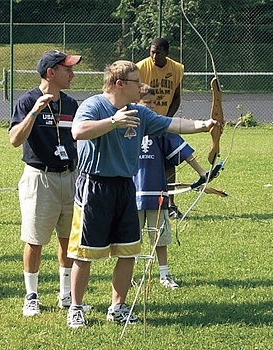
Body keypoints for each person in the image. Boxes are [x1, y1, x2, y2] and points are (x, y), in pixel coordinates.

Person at [66, 60, 218, 328]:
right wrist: (113, 122)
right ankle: (76, 308)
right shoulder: (93, 105)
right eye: (137, 81)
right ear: (120, 84)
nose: (143, 85)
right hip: (94, 187)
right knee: (84, 253)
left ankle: (118, 307)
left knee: (128, 252)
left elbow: (171, 124)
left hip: (125, 186)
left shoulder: (139, 112)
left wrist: (204, 124)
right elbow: (78, 132)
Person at [8, 50, 87, 317]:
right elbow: (14, 140)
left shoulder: (72, 105)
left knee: (68, 239)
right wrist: (34, 113)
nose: (73, 75)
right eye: (68, 70)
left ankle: (66, 294)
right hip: (39, 178)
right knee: (35, 239)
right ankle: (32, 296)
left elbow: (78, 141)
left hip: (70, 176)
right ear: (51, 73)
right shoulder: (27, 101)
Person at [133, 85, 210, 290]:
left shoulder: (159, 127)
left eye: (154, 102)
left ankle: (164, 274)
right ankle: (129, 275)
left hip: (156, 192)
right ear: (135, 103)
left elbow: (184, 152)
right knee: (130, 237)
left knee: (160, 235)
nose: (151, 106)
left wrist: (202, 173)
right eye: (147, 102)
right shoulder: (127, 125)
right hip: (131, 193)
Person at [137, 38, 186, 219]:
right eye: (152, 52)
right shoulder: (141, 67)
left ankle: (171, 204)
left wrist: (166, 119)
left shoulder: (176, 69)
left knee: (169, 162)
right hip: (144, 123)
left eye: (158, 52)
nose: (154, 56)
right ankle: (136, 199)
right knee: (142, 160)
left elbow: (177, 96)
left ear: (167, 52)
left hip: (164, 123)